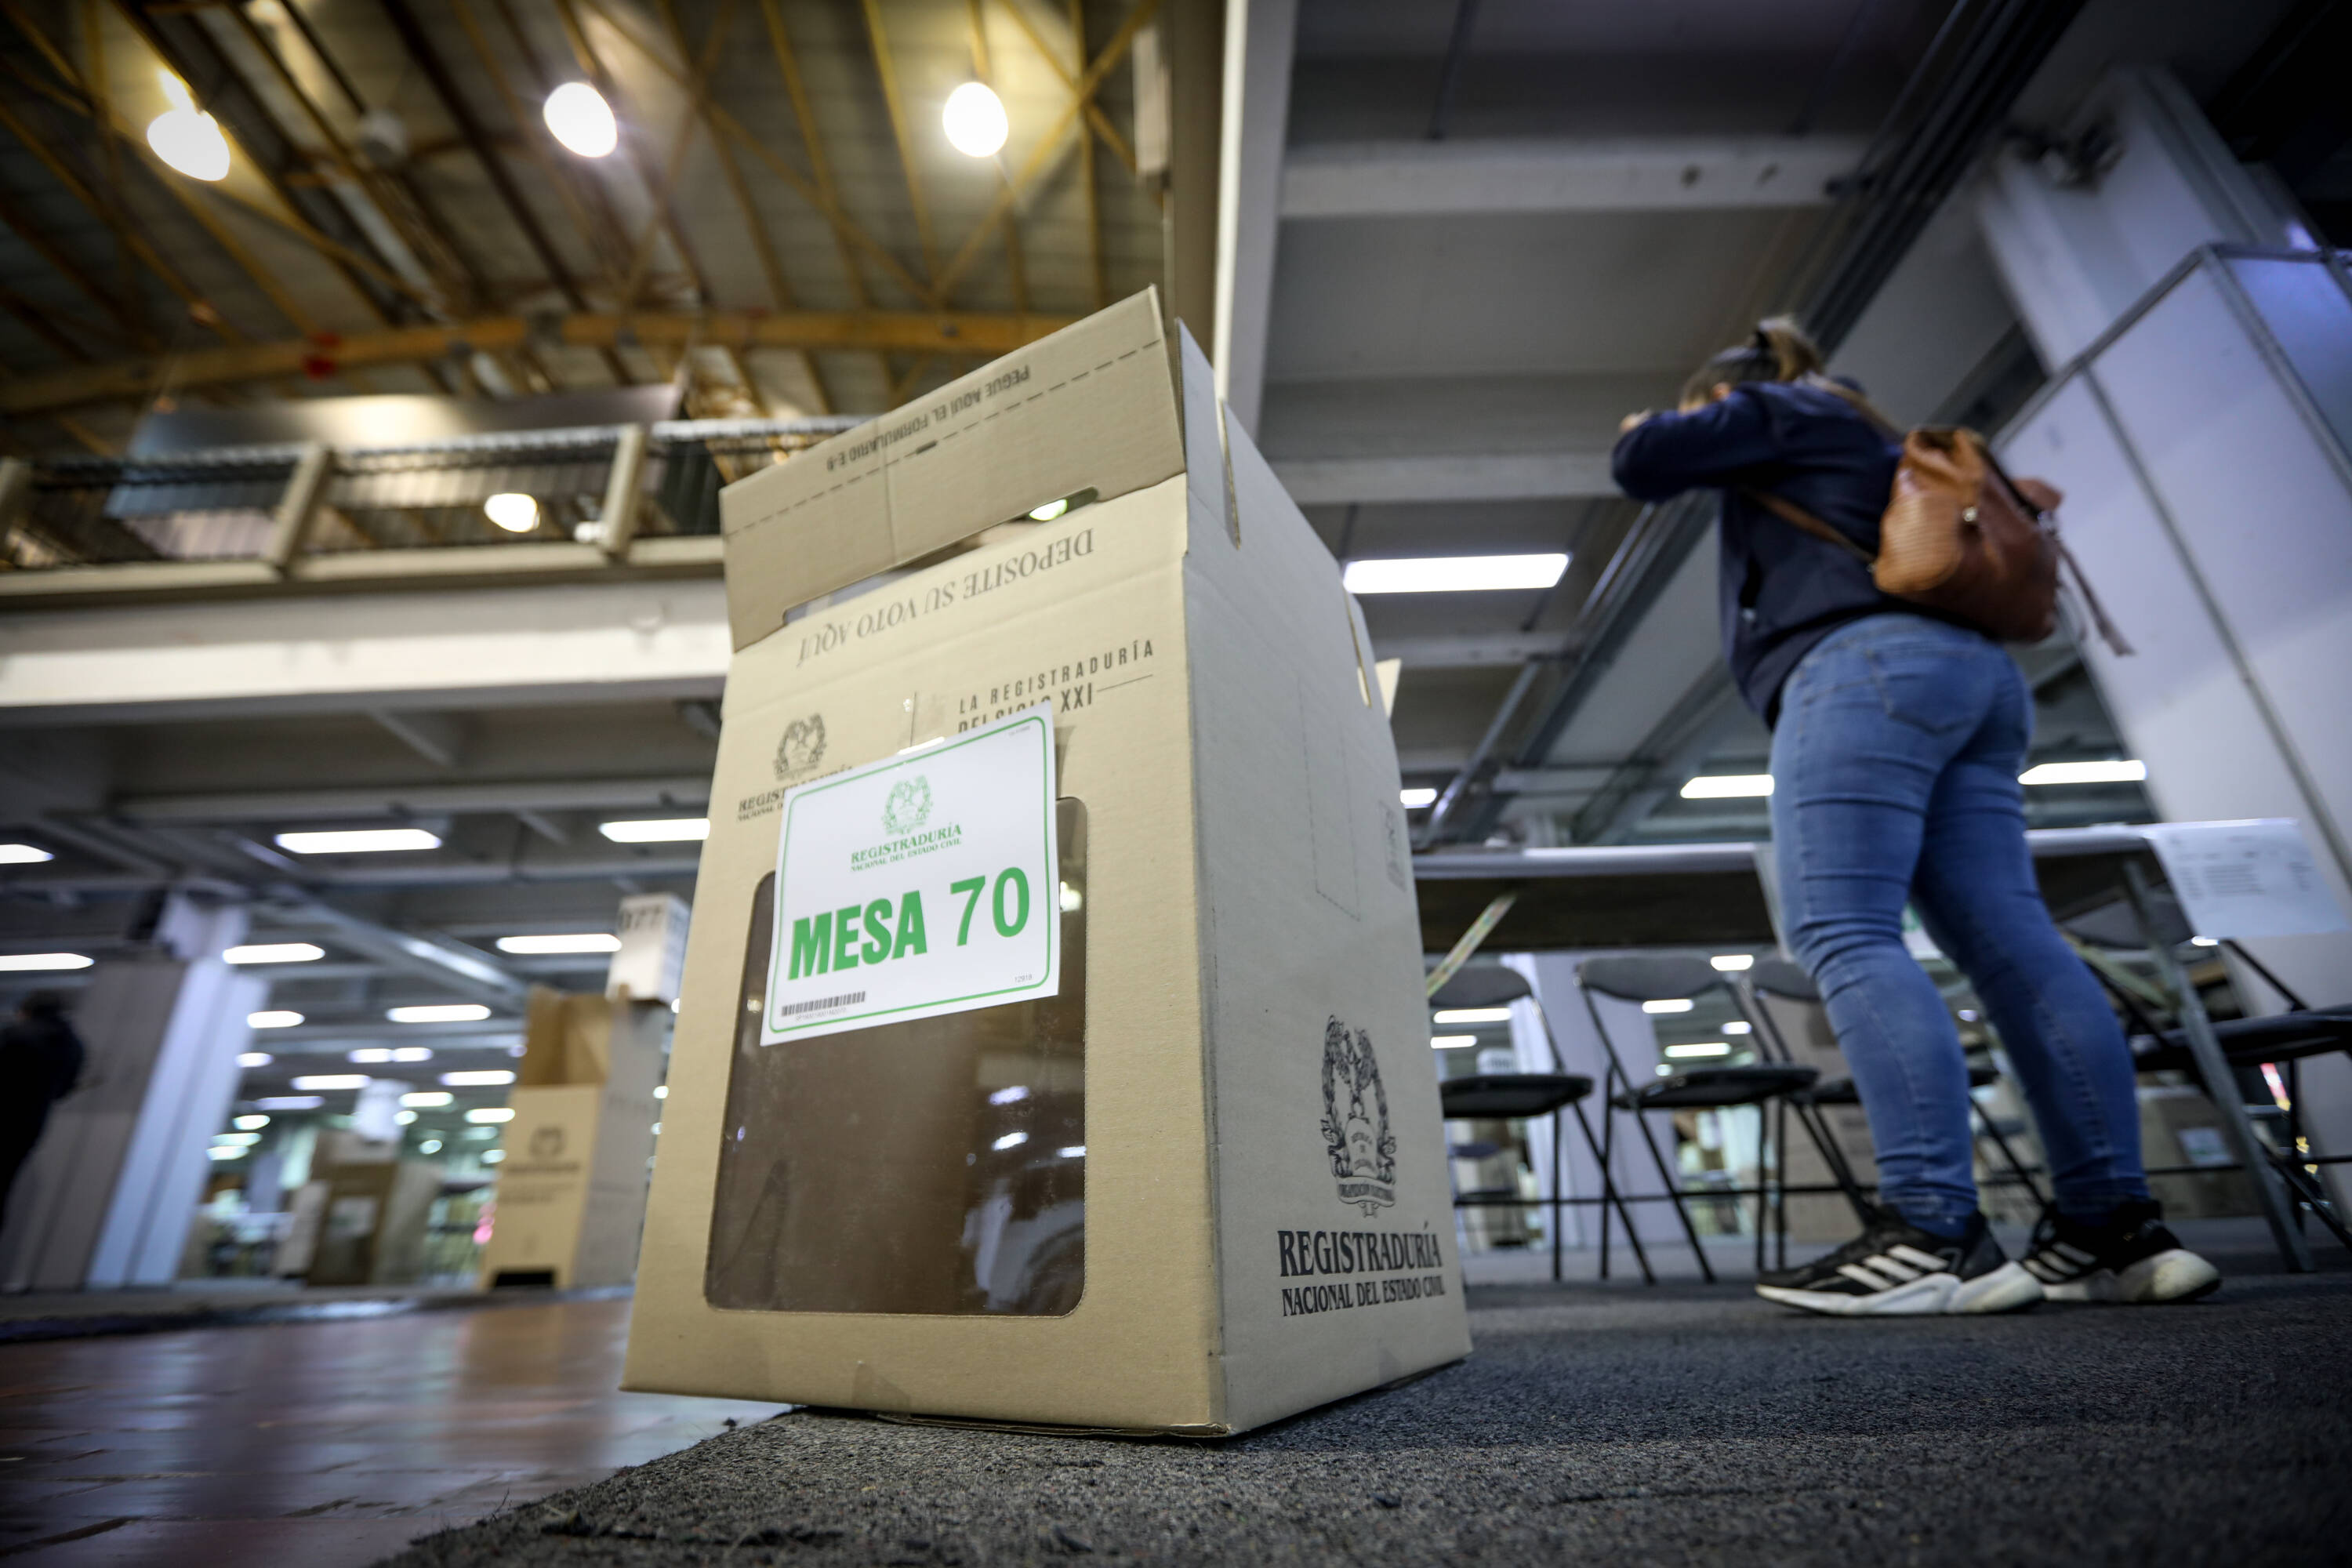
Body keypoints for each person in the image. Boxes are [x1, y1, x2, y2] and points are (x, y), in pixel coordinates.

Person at [1610, 319, 2217, 1316]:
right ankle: (2112, 1228)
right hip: (1974, 676)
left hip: (1864, 670)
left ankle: (1931, 1230)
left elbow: (1641, 462)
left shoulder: (1786, 407)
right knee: (2014, 943)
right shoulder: (1871, 436)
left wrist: (1663, 422)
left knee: (1841, 928)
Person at [0, 992, 85, 1231]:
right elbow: (64, 1090)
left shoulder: (18, 1035)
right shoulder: (74, 1045)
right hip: (31, 1125)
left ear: (27, 1011)